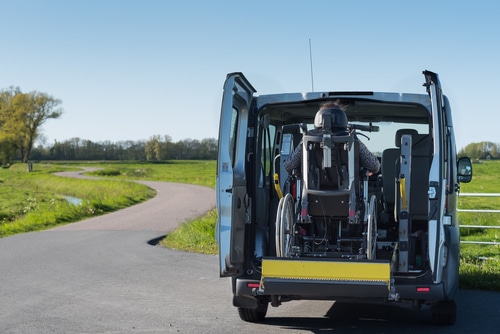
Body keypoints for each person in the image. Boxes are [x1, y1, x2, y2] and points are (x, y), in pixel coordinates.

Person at [284, 102, 380, 176]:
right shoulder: (351, 138)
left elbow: (289, 166)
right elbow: (375, 166)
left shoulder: (308, 138)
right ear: (342, 119)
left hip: (311, 195)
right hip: (349, 195)